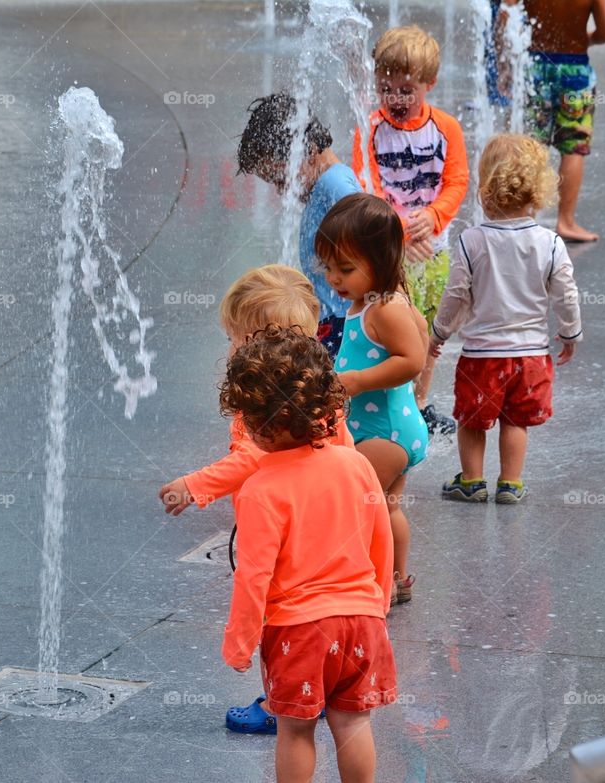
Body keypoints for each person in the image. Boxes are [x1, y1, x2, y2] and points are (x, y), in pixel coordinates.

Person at [156, 265, 354, 735]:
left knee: (281, 615)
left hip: (282, 526)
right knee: (321, 610)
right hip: (327, 526)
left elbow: (248, 459)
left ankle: (280, 698)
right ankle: (322, 685)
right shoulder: (319, 395)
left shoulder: (264, 406)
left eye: (232, 340)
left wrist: (194, 484)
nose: (227, 350)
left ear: (257, 344)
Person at [220, 324, 397, 783]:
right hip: (361, 621)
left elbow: (254, 574)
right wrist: (377, 602)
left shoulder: (261, 488)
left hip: (299, 630)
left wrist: (240, 642)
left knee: (295, 732)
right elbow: (381, 538)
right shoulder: (355, 464)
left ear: (257, 423)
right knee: (353, 722)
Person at [430, 134, 581, 503]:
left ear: (486, 187)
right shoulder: (550, 242)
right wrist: (569, 332)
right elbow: (566, 292)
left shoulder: (472, 241)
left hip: (482, 357)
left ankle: (472, 480)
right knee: (515, 421)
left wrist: (439, 333)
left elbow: (456, 295)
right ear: (537, 190)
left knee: (472, 421)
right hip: (531, 357)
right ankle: (510, 483)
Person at [353, 25, 470, 435]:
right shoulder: (369, 129)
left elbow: (457, 181)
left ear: (429, 84)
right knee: (390, 325)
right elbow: (367, 185)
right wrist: (401, 230)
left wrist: (435, 216)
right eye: (387, 89)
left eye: (407, 89)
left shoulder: (446, 129)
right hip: (386, 251)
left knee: (429, 332)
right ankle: (386, 398)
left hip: (433, 249)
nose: (396, 99)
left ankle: (418, 404)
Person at [316, 193, 429, 604]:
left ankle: (368, 583)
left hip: (386, 432)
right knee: (385, 506)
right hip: (391, 426)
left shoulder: (383, 309)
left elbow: (414, 357)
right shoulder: (374, 300)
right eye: (328, 267)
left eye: (346, 268)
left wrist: (361, 380)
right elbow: (425, 333)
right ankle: (397, 577)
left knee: (358, 506)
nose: (334, 278)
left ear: (381, 260)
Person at [237, 93, 361, 357]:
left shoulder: (335, 187)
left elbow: (371, 246)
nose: (284, 192)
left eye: (282, 179)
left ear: (311, 151)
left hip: (341, 325)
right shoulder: (325, 186)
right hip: (332, 321)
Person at [499, 0, 605, 243]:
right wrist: (585, 39)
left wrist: (505, 59)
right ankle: (566, 221)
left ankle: (524, 217)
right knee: (573, 148)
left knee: (531, 146)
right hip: (575, 72)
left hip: (535, 67)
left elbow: (504, 14)